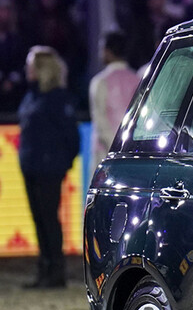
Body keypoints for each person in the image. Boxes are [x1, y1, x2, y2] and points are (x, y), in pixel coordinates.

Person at [18, 46, 79, 289]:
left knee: (49, 219)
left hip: (48, 168)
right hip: (31, 165)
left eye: (30, 65)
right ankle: (44, 269)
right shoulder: (32, 95)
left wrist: (62, 163)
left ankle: (56, 271)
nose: (26, 70)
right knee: (39, 220)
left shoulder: (57, 98)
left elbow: (71, 137)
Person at [88, 31, 139, 170]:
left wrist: (115, 149)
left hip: (105, 153)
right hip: (132, 152)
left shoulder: (100, 82)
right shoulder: (138, 80)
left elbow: (100, 121)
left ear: (107, 51)